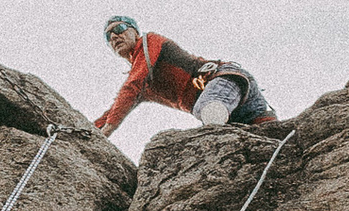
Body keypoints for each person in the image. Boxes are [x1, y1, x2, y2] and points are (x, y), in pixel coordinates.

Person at [97, 14, 277, 136]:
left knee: (207, 112)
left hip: (224, 81)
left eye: (119, 28)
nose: (114, 37)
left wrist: (107, 131)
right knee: (270, 136)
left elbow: (132, 85)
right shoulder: (143, 84)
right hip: (235, 105)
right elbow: (115, 109)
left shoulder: (149, 41)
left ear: (135, 32)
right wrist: (91, 131)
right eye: (108, 37)